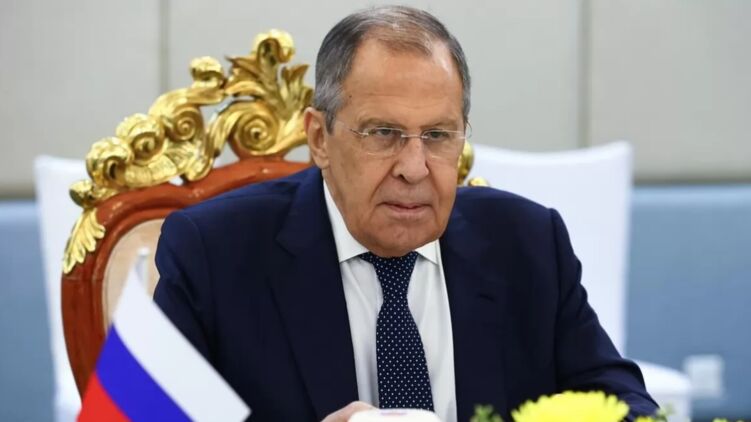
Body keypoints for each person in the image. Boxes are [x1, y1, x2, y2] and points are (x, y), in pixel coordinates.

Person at [153, 5, 657, 422]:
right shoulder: (213, 253)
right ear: (319, 138)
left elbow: (627, 407)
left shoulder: (527, 244)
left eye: (437, 135)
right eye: (382, 133)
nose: (414, 168)